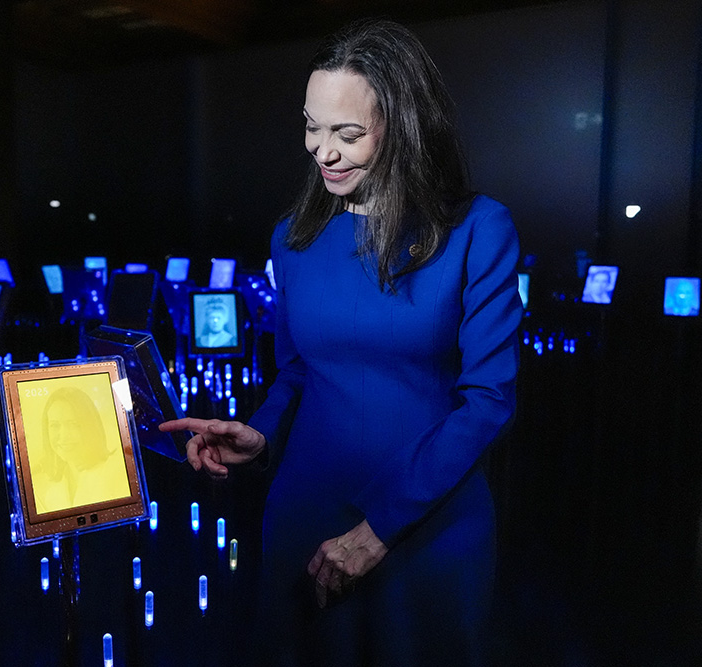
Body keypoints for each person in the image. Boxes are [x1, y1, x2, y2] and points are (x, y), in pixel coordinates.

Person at [161, 18, 521, 666]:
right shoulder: (292, 237)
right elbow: (297, 370)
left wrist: (379, 527)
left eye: (347, 134)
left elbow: (489, 400)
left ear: (404, 126)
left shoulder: (478, 229)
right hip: (307, 512)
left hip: (428, 521)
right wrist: (261, 433)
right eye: (312, 127)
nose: (322, 151)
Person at [29, 386, 130, 513]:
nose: (64, 435)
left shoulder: (118, 473)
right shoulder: (52, 493)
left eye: (73, 424)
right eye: (55, 425)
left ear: (89, 426)